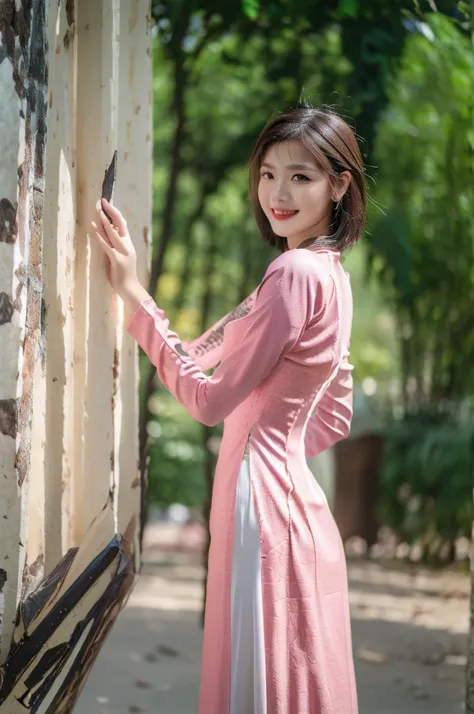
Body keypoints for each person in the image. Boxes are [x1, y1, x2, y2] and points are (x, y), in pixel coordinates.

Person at [91, 106, 366, 714]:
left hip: (258, 504)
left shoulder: (291, 273)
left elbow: (210, 401)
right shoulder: (331, 276)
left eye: (301, 176)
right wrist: (279, 442)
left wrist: (135, 296)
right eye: (268, 175)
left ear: (340, 184)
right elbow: (333, 415)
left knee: (257, 677)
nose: (278, 193)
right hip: (299, 506)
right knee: (291, 671)